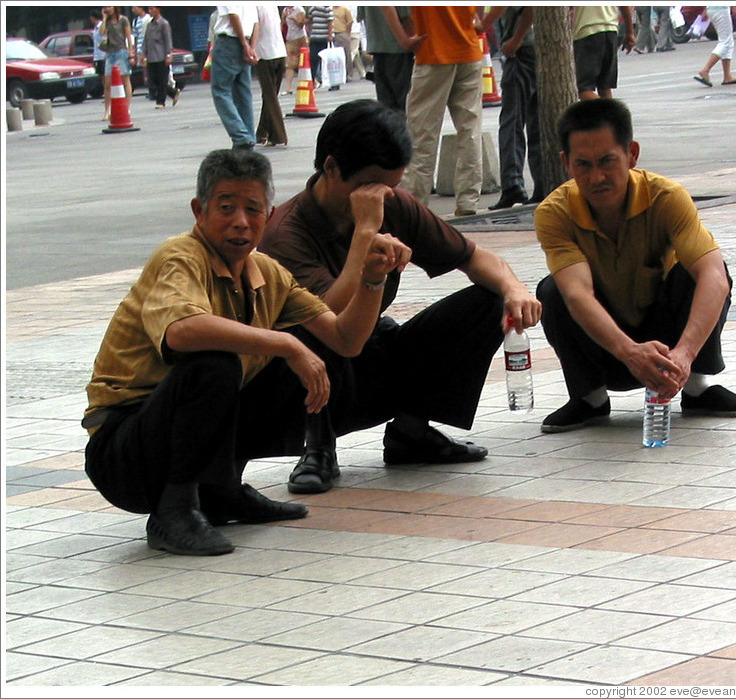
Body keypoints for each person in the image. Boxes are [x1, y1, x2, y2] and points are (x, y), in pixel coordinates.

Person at [83, 148, 398, 556]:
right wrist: (286, 342)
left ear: (267, 215)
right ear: (199, 211)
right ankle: (173, 512)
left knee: (294, 359)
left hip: (172, 439)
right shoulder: (180, 256)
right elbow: (181, 331)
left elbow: (344, 339)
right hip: (124, 453)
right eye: (226, 208)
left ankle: (221, 492)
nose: (240, 222)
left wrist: (372, 279)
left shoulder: (267, 272)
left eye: (253, 209)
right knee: (217, 361)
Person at [258, 99, 541, 494]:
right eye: (369, 186)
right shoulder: (285, 233)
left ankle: (411, 430)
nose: (381, 196)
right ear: (331, 167)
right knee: (309, 330)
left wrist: (515, 289)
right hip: (317, 376)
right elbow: (328, 316)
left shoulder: (394, 203)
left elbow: (477, 258)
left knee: (487, 300)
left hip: (371, 355)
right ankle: (318, 446)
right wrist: (364, 234)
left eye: (389, 186)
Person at [534, 98, 736, 433]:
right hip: (608, 345)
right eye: (583, 165)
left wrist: (683, 356)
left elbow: (713, 276)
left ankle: (697, 387)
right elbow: (577, 294)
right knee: (552, 290)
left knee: (702, 273)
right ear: (566, 162)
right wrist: (630, 353)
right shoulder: (553, 213)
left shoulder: (667, 197)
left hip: (667, 346)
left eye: (607, 161)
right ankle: (590, 398)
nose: (596, 177)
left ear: (631, 153)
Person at [382, 6, 484, 217]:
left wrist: (403, 38)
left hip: (432, 54)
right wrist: (482, 22)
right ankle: (468, 201)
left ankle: (415, 203)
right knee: (470, 131)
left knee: (422, 135)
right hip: (469, 51)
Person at [478, 7, 543, 210]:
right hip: (528, 49)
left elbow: (529, 8)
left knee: (511, 122)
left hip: (520, 51)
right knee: (534, 121)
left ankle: (513, 183)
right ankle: (541, 183)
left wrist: (516, 39)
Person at [210, 6, 259, 150]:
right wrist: (251, 48)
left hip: (229, 42)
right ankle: (248, 142)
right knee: (243, 95)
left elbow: (233, 16)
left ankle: (241, 136)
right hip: (246, 41)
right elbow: (256, 24)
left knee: (220, 90)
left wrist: (244, 45)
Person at [356, 6, 414, 112]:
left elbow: (361, 17)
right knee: (407, 102)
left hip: (378, 47)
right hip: (401, 48)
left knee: (387, 106)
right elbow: (406, 15)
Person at [572, 6, 636, 100]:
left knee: (582, 89)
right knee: (604, 87)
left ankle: (612, 112)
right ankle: (611, 113)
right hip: (611, 31)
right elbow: (625, 6)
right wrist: (630, 32)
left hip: (588, 31)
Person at [253, 4, 287, 147]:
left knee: (270, 96)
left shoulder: (253, 6)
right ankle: (262, 133)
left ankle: (279, 136)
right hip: (279, 51)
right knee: (270, 95)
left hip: (264, 54)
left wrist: (250, 48)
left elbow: (255, 26)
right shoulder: (272, 5)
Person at [100, 6, 135, 121]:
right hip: (110, 53)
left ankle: (127, 107)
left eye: (109, 6)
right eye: (105, 7)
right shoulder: (107, 21)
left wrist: (131, 54)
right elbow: (101, 32)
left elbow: (128, 38)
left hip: (121, 52)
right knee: (107, 83)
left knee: (125, 80)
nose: (108, 9)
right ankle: (107, 110)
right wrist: (104, 19)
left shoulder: (123, 20)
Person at [142, 7, 180, 109]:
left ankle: (161, 102)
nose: (149, 11)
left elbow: (168, 40)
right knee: (153, 82)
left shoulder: (164, 24)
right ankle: (173, 92)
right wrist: (143, 53)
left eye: (151, 9)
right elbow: (146, 40)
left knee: (162, 80)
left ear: (158, 10)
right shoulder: (149, 25)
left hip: (161, 56)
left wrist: (168, 55)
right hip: (151, 57)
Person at [694, 6, 736, 87]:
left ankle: (727, 75)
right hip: (721, 8)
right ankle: (706, 70)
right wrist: (733, 7)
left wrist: (706, 9)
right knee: (725, 42)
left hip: (712, 8)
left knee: (727, 41)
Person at [281, 5, 308, 95]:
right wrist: (284, 17)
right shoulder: (286, 10)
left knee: (304, 63)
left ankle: (313, 81)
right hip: (290, 38)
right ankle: (288, 88)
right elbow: (283, 24)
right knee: (289, 64)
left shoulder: (299, 9)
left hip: (300, 38)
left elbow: (301, 25)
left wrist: (294, 18)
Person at [306, 5, 334, 88]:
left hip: (324, 37)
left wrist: (330, 35)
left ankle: (332, 83)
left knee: (327, 61)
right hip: (315, 37)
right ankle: (312, 81)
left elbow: (330, 22)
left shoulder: (327, 7)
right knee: (313, 59)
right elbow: (310, 20)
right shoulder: (313, 8)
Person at [332, 5, 354, 88]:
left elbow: (350, 21)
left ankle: (349, 74)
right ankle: (337, 76)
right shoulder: (330, 9)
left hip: (342, 32)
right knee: (335, 57)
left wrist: (347, 33)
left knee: (346, 54)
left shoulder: (344, 9)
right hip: (333, 34)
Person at [90, 9, 106, 78]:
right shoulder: (95, 28)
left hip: (103, 56)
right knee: (101, 76)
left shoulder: (102, 25)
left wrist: (104, 17)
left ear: (93, 17)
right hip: (97, 57)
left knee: (105, 76)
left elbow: (102, 33)